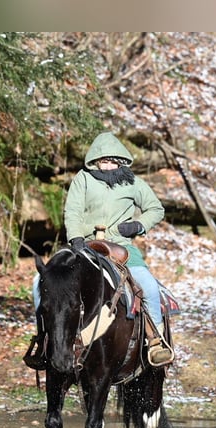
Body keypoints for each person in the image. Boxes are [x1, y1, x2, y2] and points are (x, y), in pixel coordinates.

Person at [27, 131, 174, 368]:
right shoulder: (82, 179)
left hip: (121, 246)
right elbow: (72, 211)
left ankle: (155, 340)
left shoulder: (133, 182)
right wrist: (75, 237)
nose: (108, 165)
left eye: (112, 160)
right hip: (81, 244)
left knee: (148, 286)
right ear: (95, 160)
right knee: (39, 281)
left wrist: (139, 225)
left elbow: (156, 209)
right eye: (103, 161)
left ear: (121, 160)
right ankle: (44, 339)